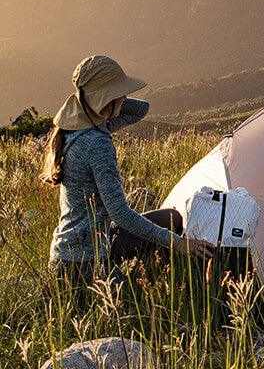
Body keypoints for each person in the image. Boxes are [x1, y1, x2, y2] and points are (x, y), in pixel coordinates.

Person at [42, 55, 215, 300]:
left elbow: (141, 110)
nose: (124, 98)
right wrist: (177, 243)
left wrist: (106, 100)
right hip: (83, 262)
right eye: (118, 94)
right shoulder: (96, 143)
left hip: (86, 246)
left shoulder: (83, 127)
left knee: (171, 218)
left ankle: (158, 269)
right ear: (104, 99)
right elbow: (120, 214)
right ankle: (174, 282)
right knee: (144, 303)